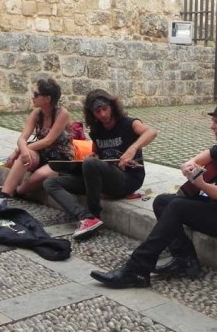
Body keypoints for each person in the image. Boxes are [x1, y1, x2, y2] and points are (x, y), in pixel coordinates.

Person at [91, 98, 217, 288]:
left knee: (177, 205)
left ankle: (136, 268)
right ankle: (185, 260)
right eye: (213, 121)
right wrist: (190, 164)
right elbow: (208, 154)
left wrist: (201, 184)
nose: (212, 126)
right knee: (162, 202)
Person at [44, 89, 157, 240]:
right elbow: (96, 154)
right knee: (50, 182)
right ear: (92, 114)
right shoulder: (96, 130)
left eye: (105, 109)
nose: (103, 114)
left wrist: (132, 148)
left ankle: (93, 214)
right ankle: (86, 217)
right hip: (102, 179)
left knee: (91, 164)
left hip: (128, 179)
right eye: (98, 111)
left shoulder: (129, 123)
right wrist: (93, 156)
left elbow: (152, 132)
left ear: (112, 106)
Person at [0, 78, 73, 209]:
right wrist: (22, 150)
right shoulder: (37, 113)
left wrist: (20, 150)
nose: (32, 97)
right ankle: (3, 196)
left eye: (36, 95)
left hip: (61, 158)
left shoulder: (62, 114)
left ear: (47, 98)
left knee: (39, 175)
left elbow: (48, 141)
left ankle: (18, 191)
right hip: (43, 153)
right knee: (26, 156)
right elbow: (22, 138)